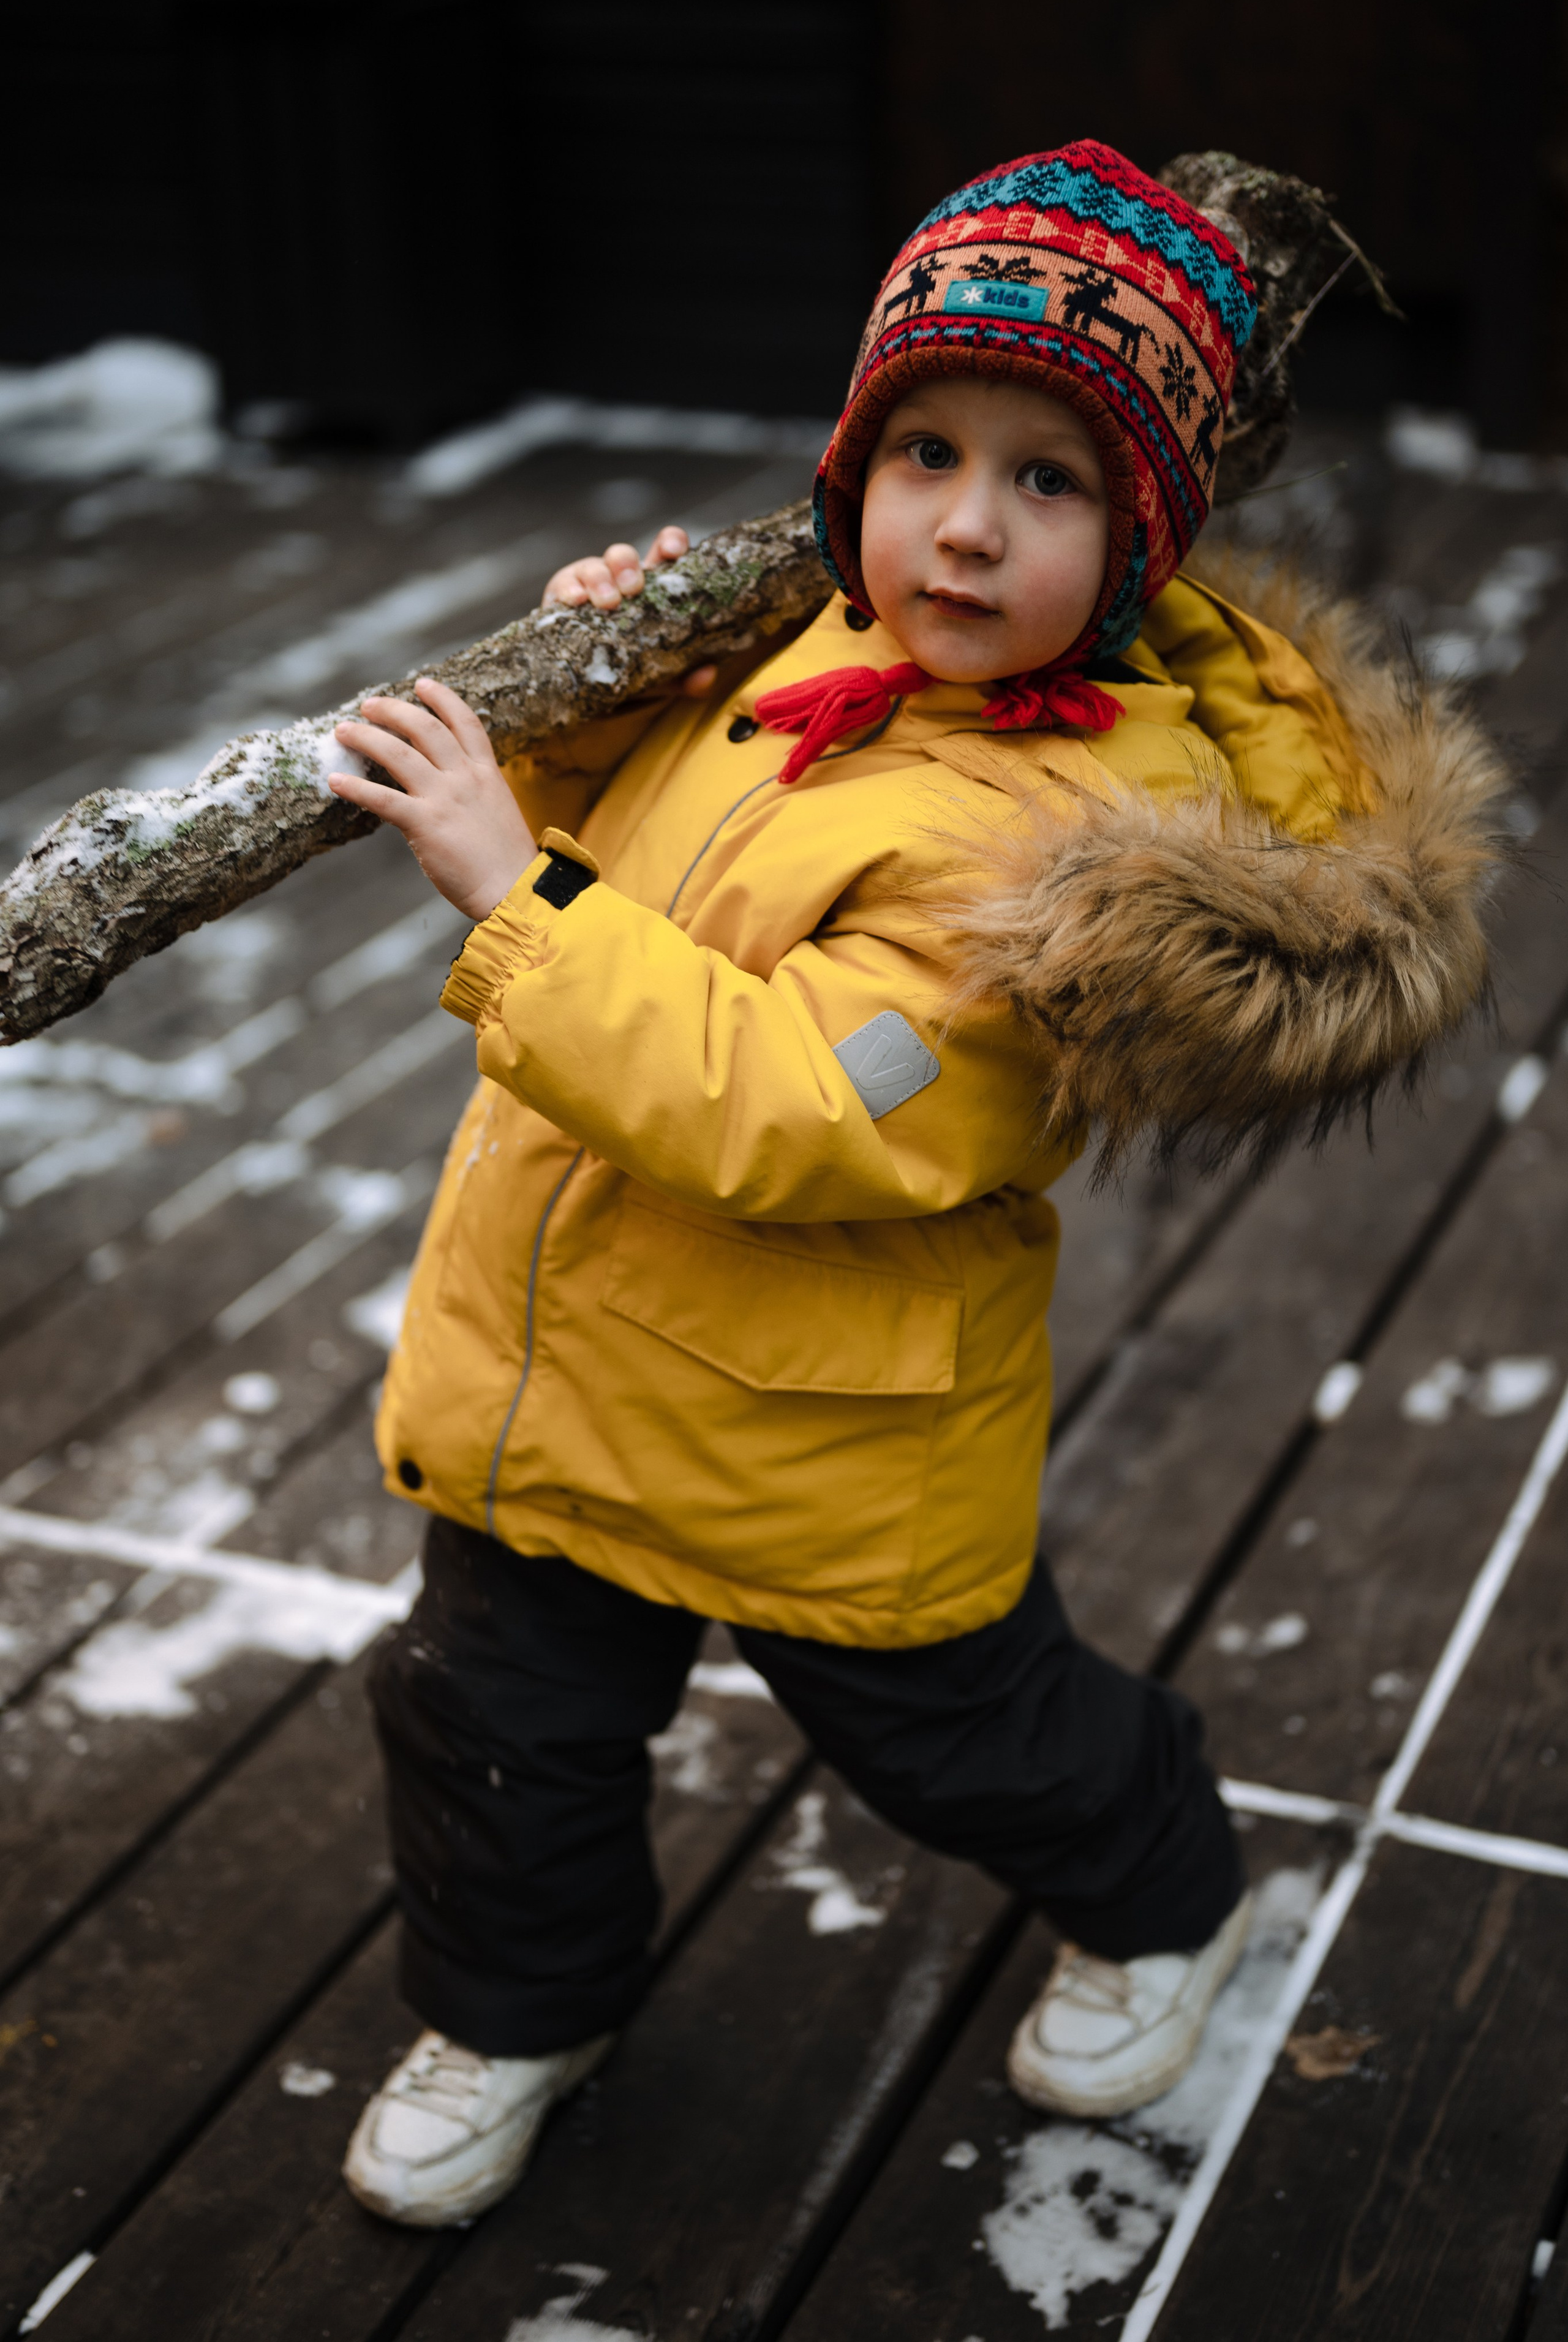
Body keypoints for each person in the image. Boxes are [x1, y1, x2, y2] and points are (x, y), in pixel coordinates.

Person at [322, 142, 1501, 2227]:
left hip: (823, 1440)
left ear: (1142, 540)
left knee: (966, 1739)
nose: (963, 525)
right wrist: (597, 726)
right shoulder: (811, 671)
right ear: (850, 468)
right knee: (493, 1725)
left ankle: (1165, 1886)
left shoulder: (1055, 862)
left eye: (1049, 484)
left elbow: (790, 1100)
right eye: (927, 449)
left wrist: (510, 891)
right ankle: (519, 2009)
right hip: (562, 1378)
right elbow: (661, 875)